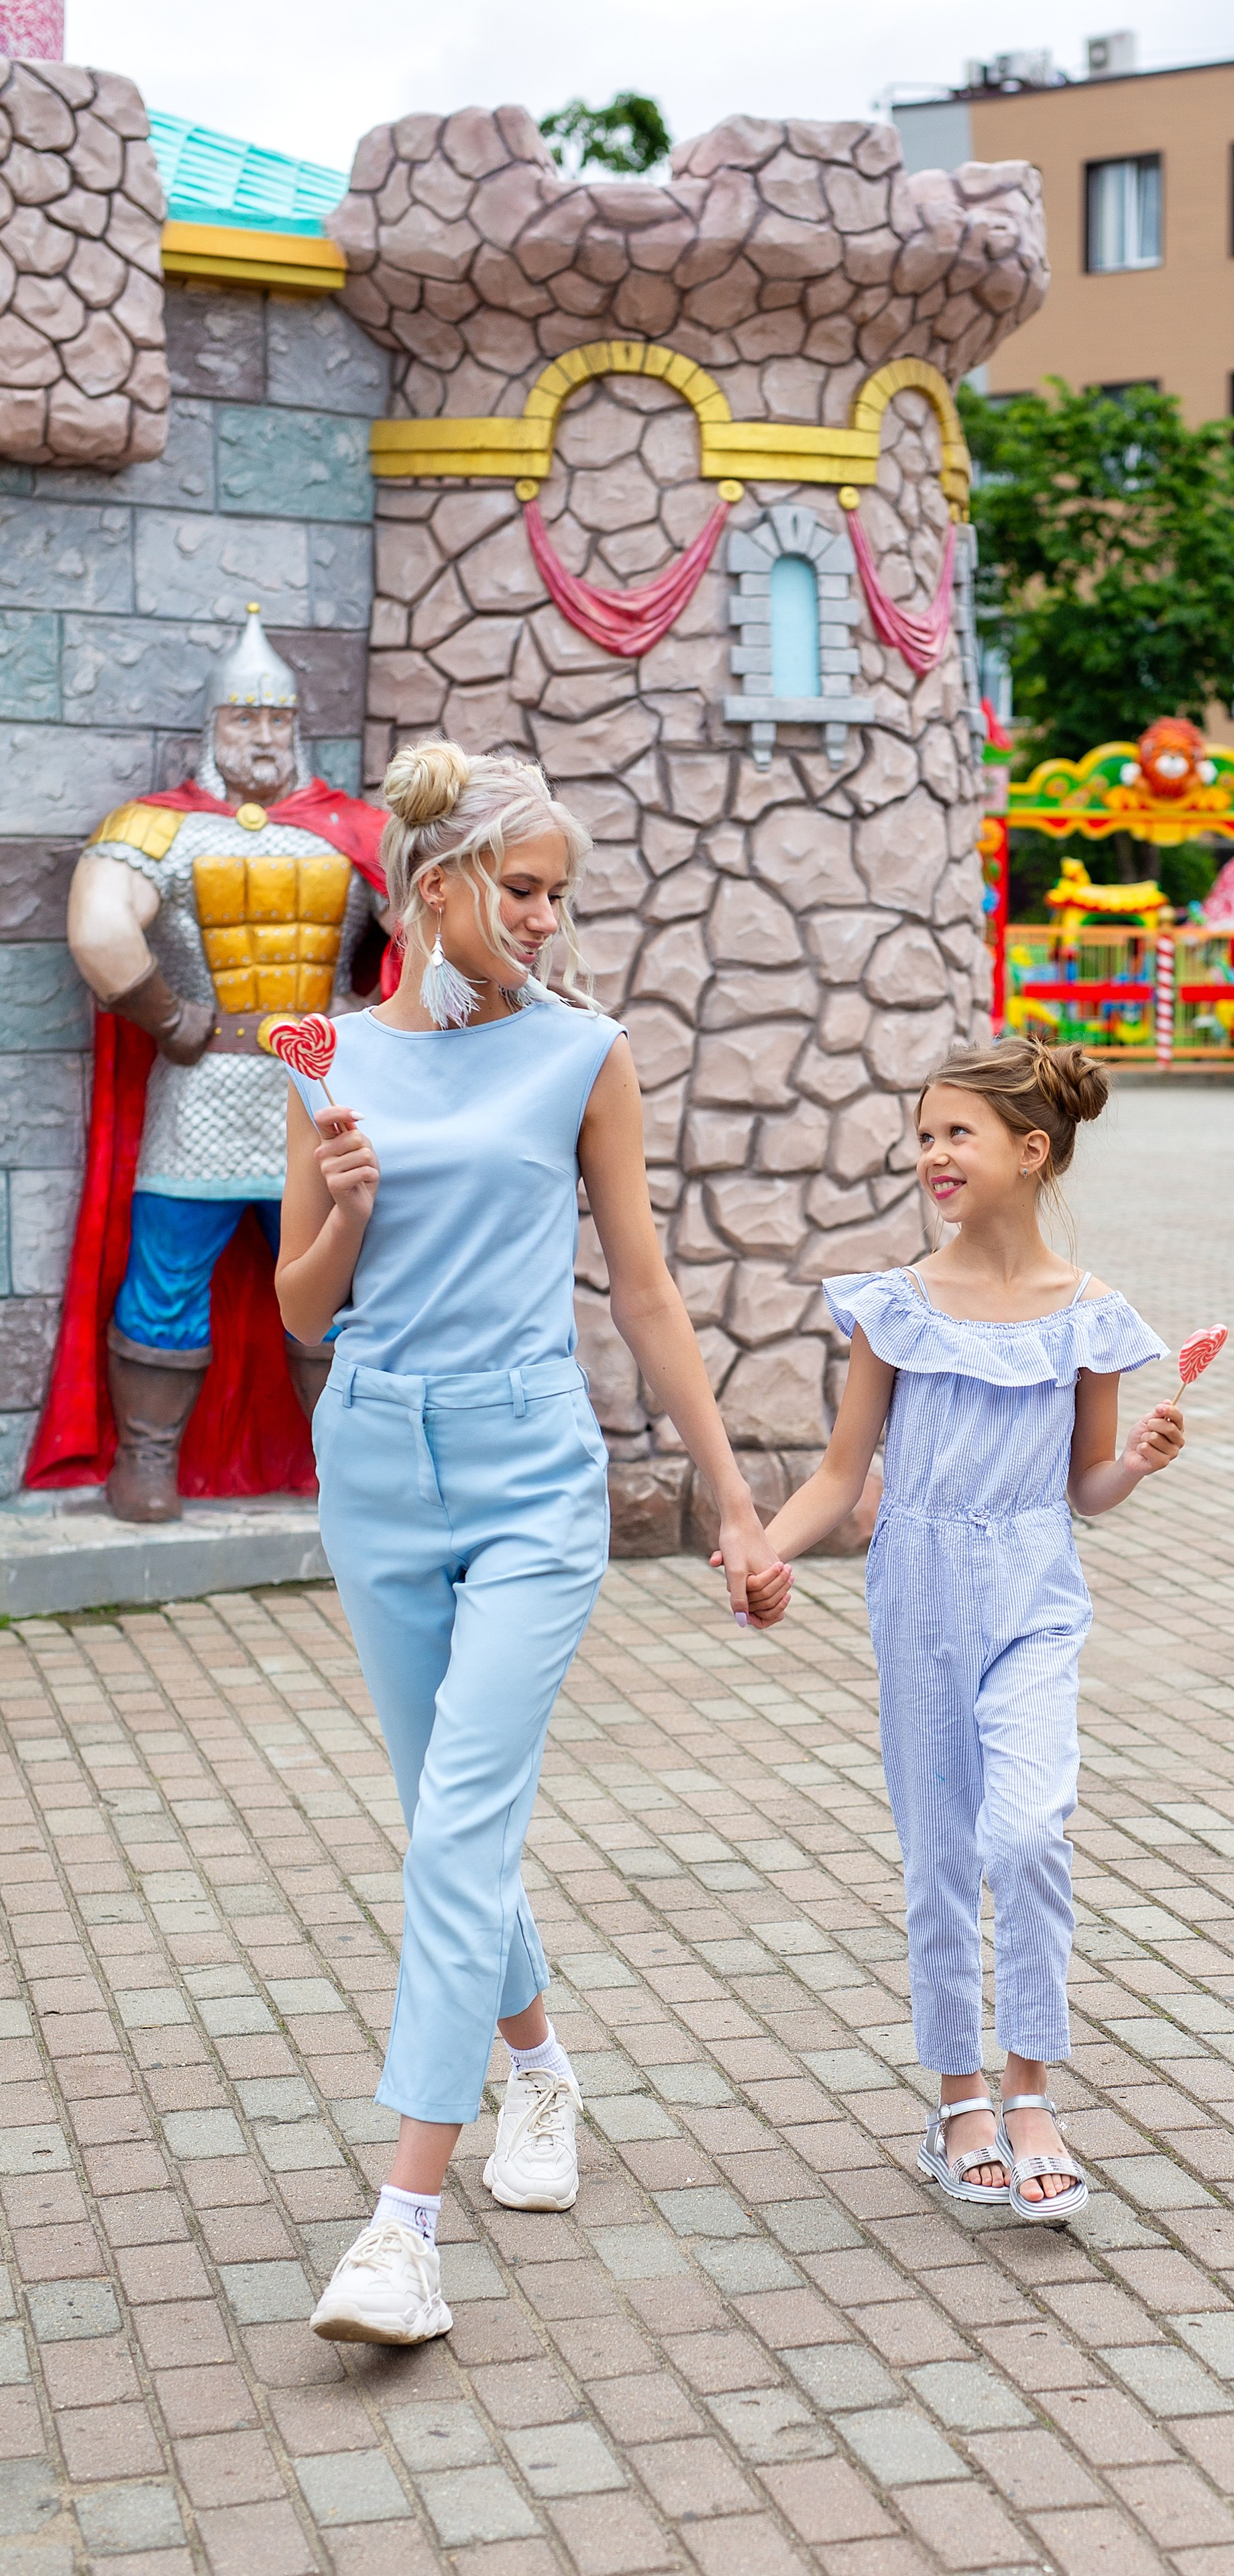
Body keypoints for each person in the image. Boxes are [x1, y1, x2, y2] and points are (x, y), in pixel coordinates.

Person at [274, 740, 787, 2345]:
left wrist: (733, 1497)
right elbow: (298, 1310)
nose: (551, 918)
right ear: (438, 893)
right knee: (445, 1819)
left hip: (526, 1471)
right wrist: (345, 1209)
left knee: (455, 1828)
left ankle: (401, 2223)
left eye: (562, 893)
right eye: (524, 890)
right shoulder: (329, 1058)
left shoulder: (585, 1056)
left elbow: (640, 1287)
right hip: (370, 1453)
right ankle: (541, 2073)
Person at [742, 1039, 1185, 2221]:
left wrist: (1132, 1465)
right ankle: (957, 2100)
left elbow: (1085, 1487)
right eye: (925, 1133)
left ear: (1030, 1153)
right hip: (919, 1591)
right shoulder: (894, 1308)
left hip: (1036, 1587)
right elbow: (843, 1477)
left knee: (1030, 1829)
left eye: (957, 1134)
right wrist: (763, 1551)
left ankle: (1032, 2088)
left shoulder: (1089, 1316)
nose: (932, 1154)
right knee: (940, 1852)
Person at [40, 606, 390, 1518]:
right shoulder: (156, 828)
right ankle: (148, 1462)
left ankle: (343, 1469)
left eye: (277, 719)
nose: (264, 736)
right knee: (165, 1277)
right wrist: (168, 1016)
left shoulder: (354, 830)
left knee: (334, 1280)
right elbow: (100, 924)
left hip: (319, 1092)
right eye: (245, 718)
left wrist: (383, 1021)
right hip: (198, 1089)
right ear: (213, 726)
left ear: (298, 726)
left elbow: (427, 933)